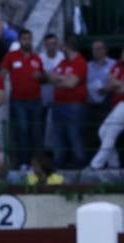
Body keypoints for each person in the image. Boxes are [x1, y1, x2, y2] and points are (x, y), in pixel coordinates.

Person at [1, 29, 42, 167]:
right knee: (22, 131)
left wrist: (41, 76)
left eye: (29, 38)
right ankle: (24, 162)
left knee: (36, 132)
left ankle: (36, 162)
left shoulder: (37, 58)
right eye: (24, 38)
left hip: (36, 100)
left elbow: (43, 77)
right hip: (18, 101)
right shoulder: (11, 56)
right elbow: (3, 74)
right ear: (19, 41)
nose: (27, 41)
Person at [47, 37, 86, 168]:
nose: (61, 48)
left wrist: (58, 79)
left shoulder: (80, 62)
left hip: (73, 105)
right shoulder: (63, 62)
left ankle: (79, 162)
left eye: (63, 46)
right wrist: (62, 79)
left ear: (68, 47)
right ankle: (59, 162)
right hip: (58, 104)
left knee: (74, 134)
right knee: (58, 135)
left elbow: (71, 83)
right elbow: (50, 77)